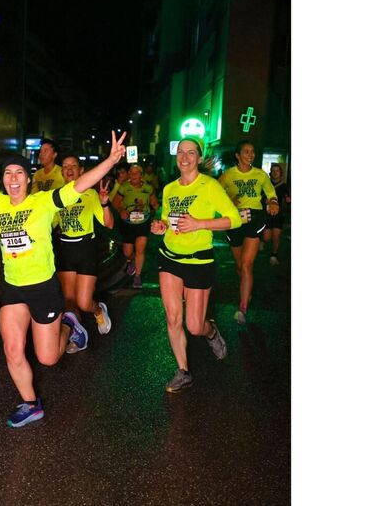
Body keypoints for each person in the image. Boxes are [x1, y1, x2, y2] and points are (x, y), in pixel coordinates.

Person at [0, 110, 127, 428]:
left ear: (27, 177)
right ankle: (30, 403)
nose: (12, 178)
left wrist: (110, 160)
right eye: (8, 173)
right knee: (12, 348)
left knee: (48, 358)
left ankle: (69, 326)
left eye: (18, 173)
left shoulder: (42, 202)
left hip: (44, 288)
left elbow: (80, 185)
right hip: (14, 289)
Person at [150, 137, 241, 392]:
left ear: (199, 158)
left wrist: (200, 223)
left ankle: (210, 332)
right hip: (169, 257)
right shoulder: (169, 189)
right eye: (181, 152)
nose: (185, 157)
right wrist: (161, 226)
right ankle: (183, 371)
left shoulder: (210, 186)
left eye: (191, 152)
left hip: (199, 261)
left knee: (194, 325)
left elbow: (234, 219)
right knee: (172, 318)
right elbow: (168, 220)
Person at [54, 154, 115, 352]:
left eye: (73, 166)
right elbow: (49, 223)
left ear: (81, 170)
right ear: (62, 171)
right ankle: (77, 337)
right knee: (68, 302)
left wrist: (104, 203)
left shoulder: (90, 194)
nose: (69, 169)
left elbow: (109, 224)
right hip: (65, 249)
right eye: (65, 166)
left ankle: (98, 310)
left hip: (86, 248)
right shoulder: (58, 195)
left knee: (83, 301)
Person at [217, 140, 279, 325]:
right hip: (235, 221)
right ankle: (247, 289)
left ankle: (242, 307)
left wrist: (273, 202)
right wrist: (229, 201)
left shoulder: (260, 174)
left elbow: (270, 192)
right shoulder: (228, 175)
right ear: (237, 155)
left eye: (252, 151)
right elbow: (217, 194)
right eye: (246, 151)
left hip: (255, 218)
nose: (250, 154)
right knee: (239, 266)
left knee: (246, 265)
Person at [111, 163, 159, 288]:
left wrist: (162, 217)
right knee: (127, 252)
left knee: (140, 250)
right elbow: (115, 203)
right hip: (128, 223)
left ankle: (137, 276)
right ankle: (131, 261)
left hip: (143, 221)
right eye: (131, 173)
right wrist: (121, 211)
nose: (133, 175)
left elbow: (154, 203)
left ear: (141, 175)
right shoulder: (124, 187)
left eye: (136, 173)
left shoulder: (148, 188)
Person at [261, 163, 291, 265]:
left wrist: (288, 200)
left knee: (276, 236)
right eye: (273, 170)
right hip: (267, 214)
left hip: (279, 215)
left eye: (277, 171)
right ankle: (262, 241)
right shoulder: (266, 185)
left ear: (280, 173)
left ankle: (273, 256)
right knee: (267, 237)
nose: (275, 173)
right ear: (270, 172)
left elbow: (288, 200)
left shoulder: (284, 186)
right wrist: (265, 201)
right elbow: (260, 198)